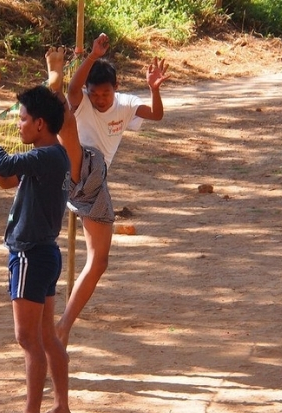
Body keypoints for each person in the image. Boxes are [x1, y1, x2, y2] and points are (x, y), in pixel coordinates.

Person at [0, 85, 76, 413]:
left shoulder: (47, 156)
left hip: (30, 254)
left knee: (28, 339)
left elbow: (5, 162)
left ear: (40, 124)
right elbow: (6, 179)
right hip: (44, 253)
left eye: (23, 119)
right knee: (46, 336)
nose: (19, 125)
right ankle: (60, 408)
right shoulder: (53, 156)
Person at [57, 32, 171, 346]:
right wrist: (92, 55)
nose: (100, 100)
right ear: (87, 91)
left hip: (91, 183)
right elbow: (71, 89)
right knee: (73, 129)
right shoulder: (81, 102)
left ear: (116, 89)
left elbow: (157, 114)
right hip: (76, 167)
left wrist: (153, 89)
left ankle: (63, 326)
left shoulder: (126, 105)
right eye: (94, 94)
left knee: (99, 261)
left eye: (105, 94)